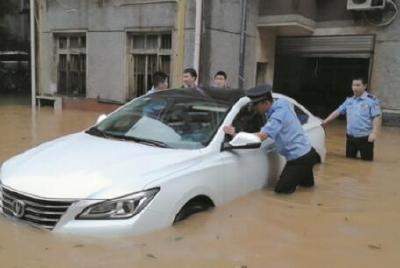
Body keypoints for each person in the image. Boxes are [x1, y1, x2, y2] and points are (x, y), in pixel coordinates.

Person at [223, 84, 318, 194]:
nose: (253, 107)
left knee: (281, 192)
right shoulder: (283, 102)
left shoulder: (277, 116)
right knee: (308, 190)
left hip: (298, 159)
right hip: (308, 153)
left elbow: (262, 137)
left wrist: (237, 135)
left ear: (266, 103)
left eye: (255, 104)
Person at [322, 77, 381, 161]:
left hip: (365, 137)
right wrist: (325, 121)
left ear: (364, 86)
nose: (355, 88)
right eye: (353, 85)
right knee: (349, 161)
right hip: (350, 137)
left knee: (367, 163)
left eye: (358, 85)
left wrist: (374, 133)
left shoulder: (371, 100)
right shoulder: (349, 100)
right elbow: (338, 111)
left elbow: (376, 117)